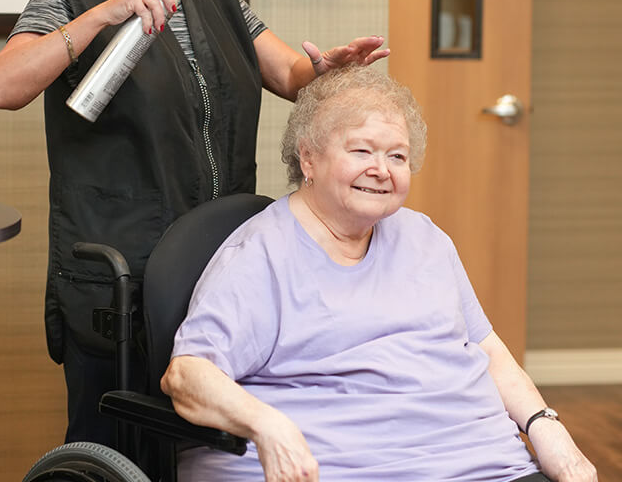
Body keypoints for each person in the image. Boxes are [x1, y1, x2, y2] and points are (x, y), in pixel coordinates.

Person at [0, 0, 389, 449]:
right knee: (121, 443)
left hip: (219, 272)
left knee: (208, 448)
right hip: (125, 284)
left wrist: (331, 68)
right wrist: (109, 11)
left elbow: (288, 74)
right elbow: (2, 87)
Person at [161, 65, 598, 482]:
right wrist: (270, 426)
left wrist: (545, 427)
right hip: (344, 467)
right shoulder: (261, 254)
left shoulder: (424, 238)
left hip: (483, 463)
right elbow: (187, 375)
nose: (381, 170)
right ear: (308, 159)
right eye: (361, 150)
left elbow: (486, 350)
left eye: (397, 156)